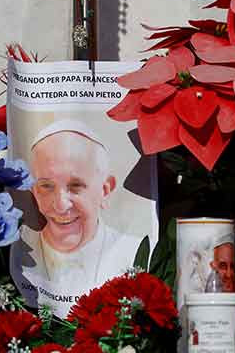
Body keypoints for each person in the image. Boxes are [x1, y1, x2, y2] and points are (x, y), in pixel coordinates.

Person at [10, 120, 143, 317]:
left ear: (105, 190)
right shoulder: (16, 248)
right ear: (34, 191)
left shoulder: (135, 253)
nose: (61, 205)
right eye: (46, 186)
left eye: (75, 186)